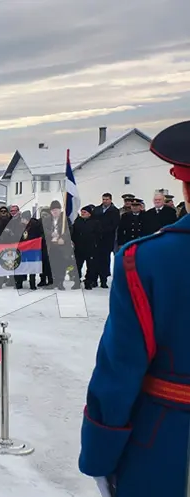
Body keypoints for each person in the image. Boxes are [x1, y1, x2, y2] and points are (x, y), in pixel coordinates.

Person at [79, 120, 190, 496]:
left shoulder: (146, 261)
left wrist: (100, 453)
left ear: (184, 185)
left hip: (171, 447)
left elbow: (120, 370)